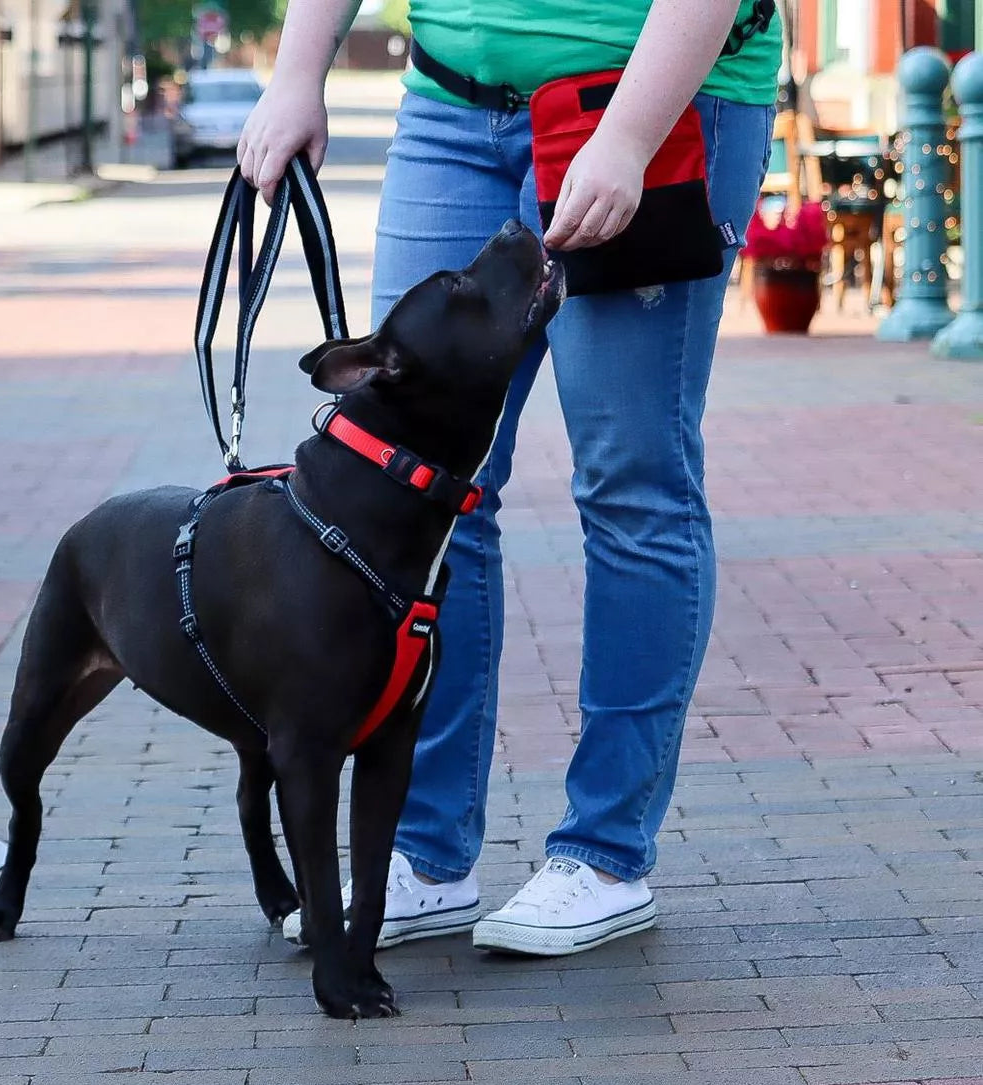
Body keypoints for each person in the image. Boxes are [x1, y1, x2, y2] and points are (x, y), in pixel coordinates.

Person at [239, 0, 780, 956]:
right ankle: (425, 850)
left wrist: (627, 139)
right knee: (432, 492)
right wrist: (294, 75)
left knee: (631, 483)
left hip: (640, 99)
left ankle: (606, 855)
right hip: (450, 109)